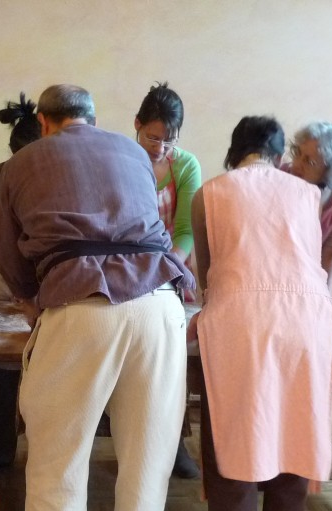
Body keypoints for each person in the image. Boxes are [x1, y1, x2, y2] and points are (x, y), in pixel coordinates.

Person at [0, 84, 194, 511]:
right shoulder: (131, 152)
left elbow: (7, 255)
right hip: (160, 304)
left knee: (60, 458)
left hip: (82, 307)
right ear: (95, 119)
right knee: (148, 456)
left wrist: (34, 304)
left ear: (46, 123)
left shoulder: (24, 160)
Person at [189, 116, 332, 511]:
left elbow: (208, 275)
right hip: (309, 325)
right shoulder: (306, 194)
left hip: (241, 325)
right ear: (279, 155)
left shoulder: (211, 192)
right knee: (292, 450)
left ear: (234, 152)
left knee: (233, 453)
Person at [134, 82, 203, 480]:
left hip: (172, 272)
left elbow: (185, 229)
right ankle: (133, 444)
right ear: (137, 125)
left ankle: (174, 445)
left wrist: (168, 267)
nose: (160, 146)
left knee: (171, 365)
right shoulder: (123, 158)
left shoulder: (185, 165)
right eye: (153, 137)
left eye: (169, 139)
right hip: (131, 270)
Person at [0, 94, 42, 475]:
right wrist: (20, 290)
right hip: (5, 280)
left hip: (47, 279)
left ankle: (43, 447)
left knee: (46, 365)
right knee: (2, 365)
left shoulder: (56, 175)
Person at [288, 122, 332, 295]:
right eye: (297, 153)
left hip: (311, 276)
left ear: (330, 170)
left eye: (309, 161)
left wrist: (325, 297)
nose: (296, 164)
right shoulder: (280, 177)